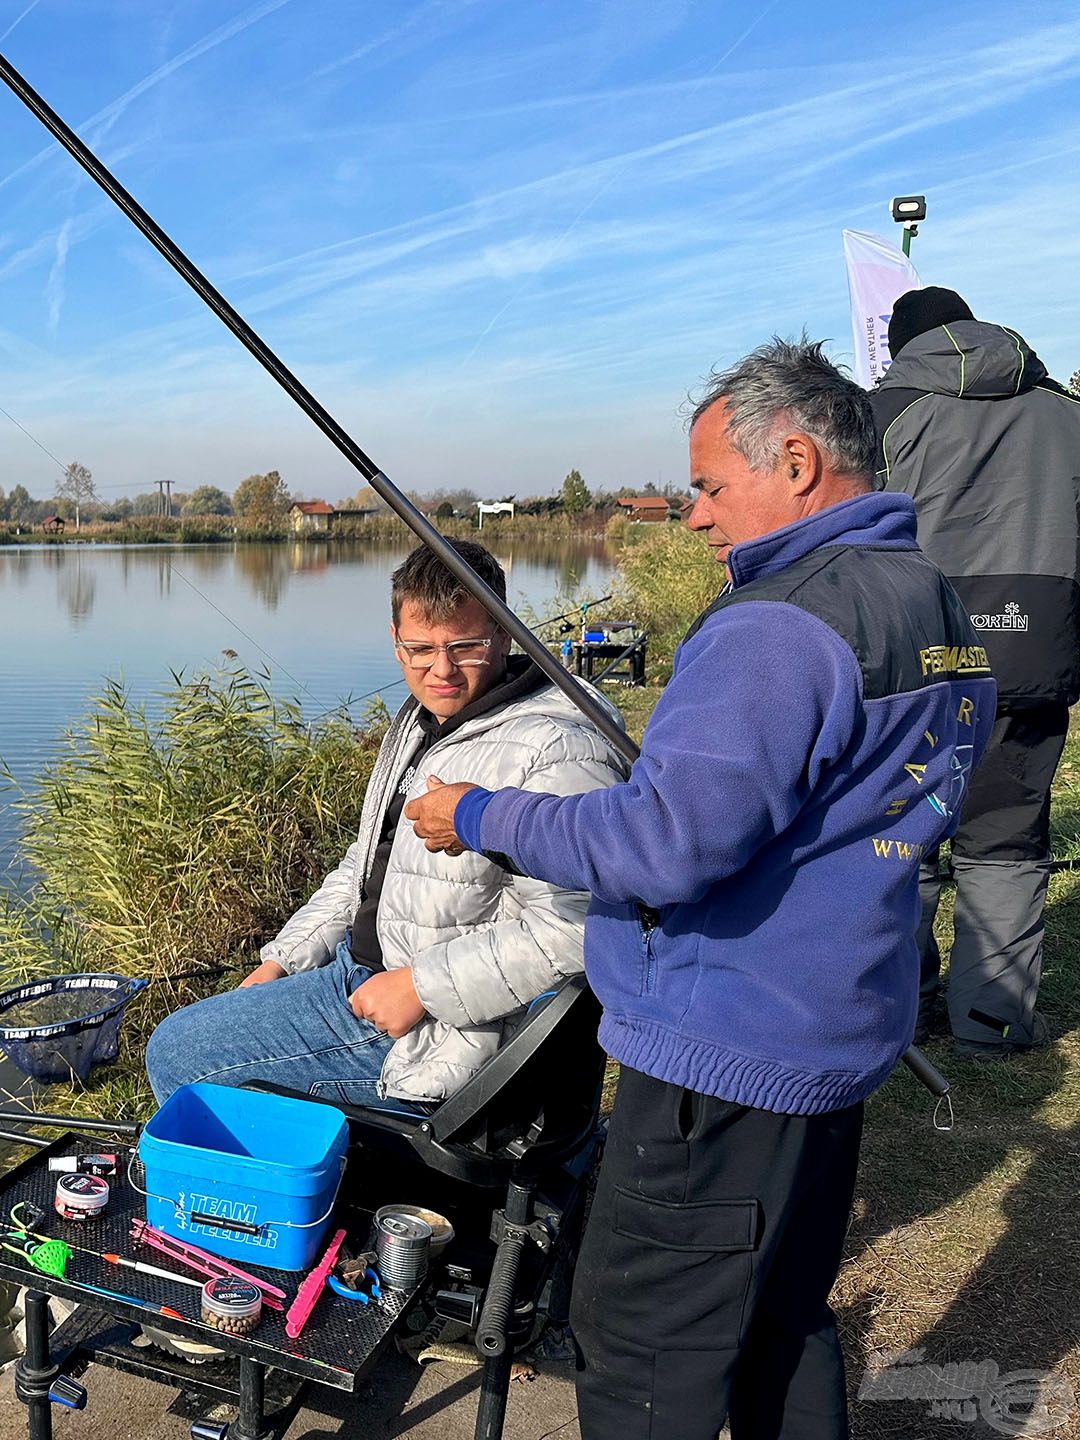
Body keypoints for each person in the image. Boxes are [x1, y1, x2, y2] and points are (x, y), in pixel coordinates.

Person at [406, 339, 996, 1440]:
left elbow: (659, 844)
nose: (693, 516)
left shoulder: (776, 627)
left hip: (725, 1055)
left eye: (710, 486)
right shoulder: (935, 601)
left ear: (801, 462)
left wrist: (478, 813)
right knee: (782, 1316)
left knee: (642, 1351)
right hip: (836, 1033)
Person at [145, 540, 626, 1109]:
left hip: (443, 1030)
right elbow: (368, 860)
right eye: (420, 649)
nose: (441, 669)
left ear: (504, 634)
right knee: (193, 1033)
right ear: (395, 642)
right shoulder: (426, 720)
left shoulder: (557, 748)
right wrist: (284, 958)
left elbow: (583, 927)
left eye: (464, 646)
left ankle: (318, 1181)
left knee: (176, 1053)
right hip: (370, 971)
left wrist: (421, 987)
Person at [871, 287, 1080, 1057]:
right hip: (1034, 650)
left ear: (903, 346)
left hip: (917, 657)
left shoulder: (884, 411)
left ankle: (899, 1004)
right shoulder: (1065, 411)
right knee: (1008, 839)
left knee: (900, 834)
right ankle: (991, 1026)